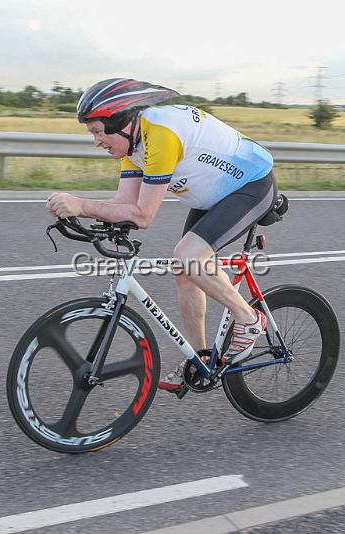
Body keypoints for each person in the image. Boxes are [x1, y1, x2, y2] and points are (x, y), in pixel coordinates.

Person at [47, 78, 277, 393]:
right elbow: (124, 205)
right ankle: (201, 358)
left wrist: (82, 205)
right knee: (185, 270)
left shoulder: (161, 136)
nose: (96, 141)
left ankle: (249, 319)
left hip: (250, 186)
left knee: (188, 256)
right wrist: (81, 213)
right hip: (211, 197)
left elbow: (142, 215)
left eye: (98, 131)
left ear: (120, 122)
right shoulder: (134, 145)